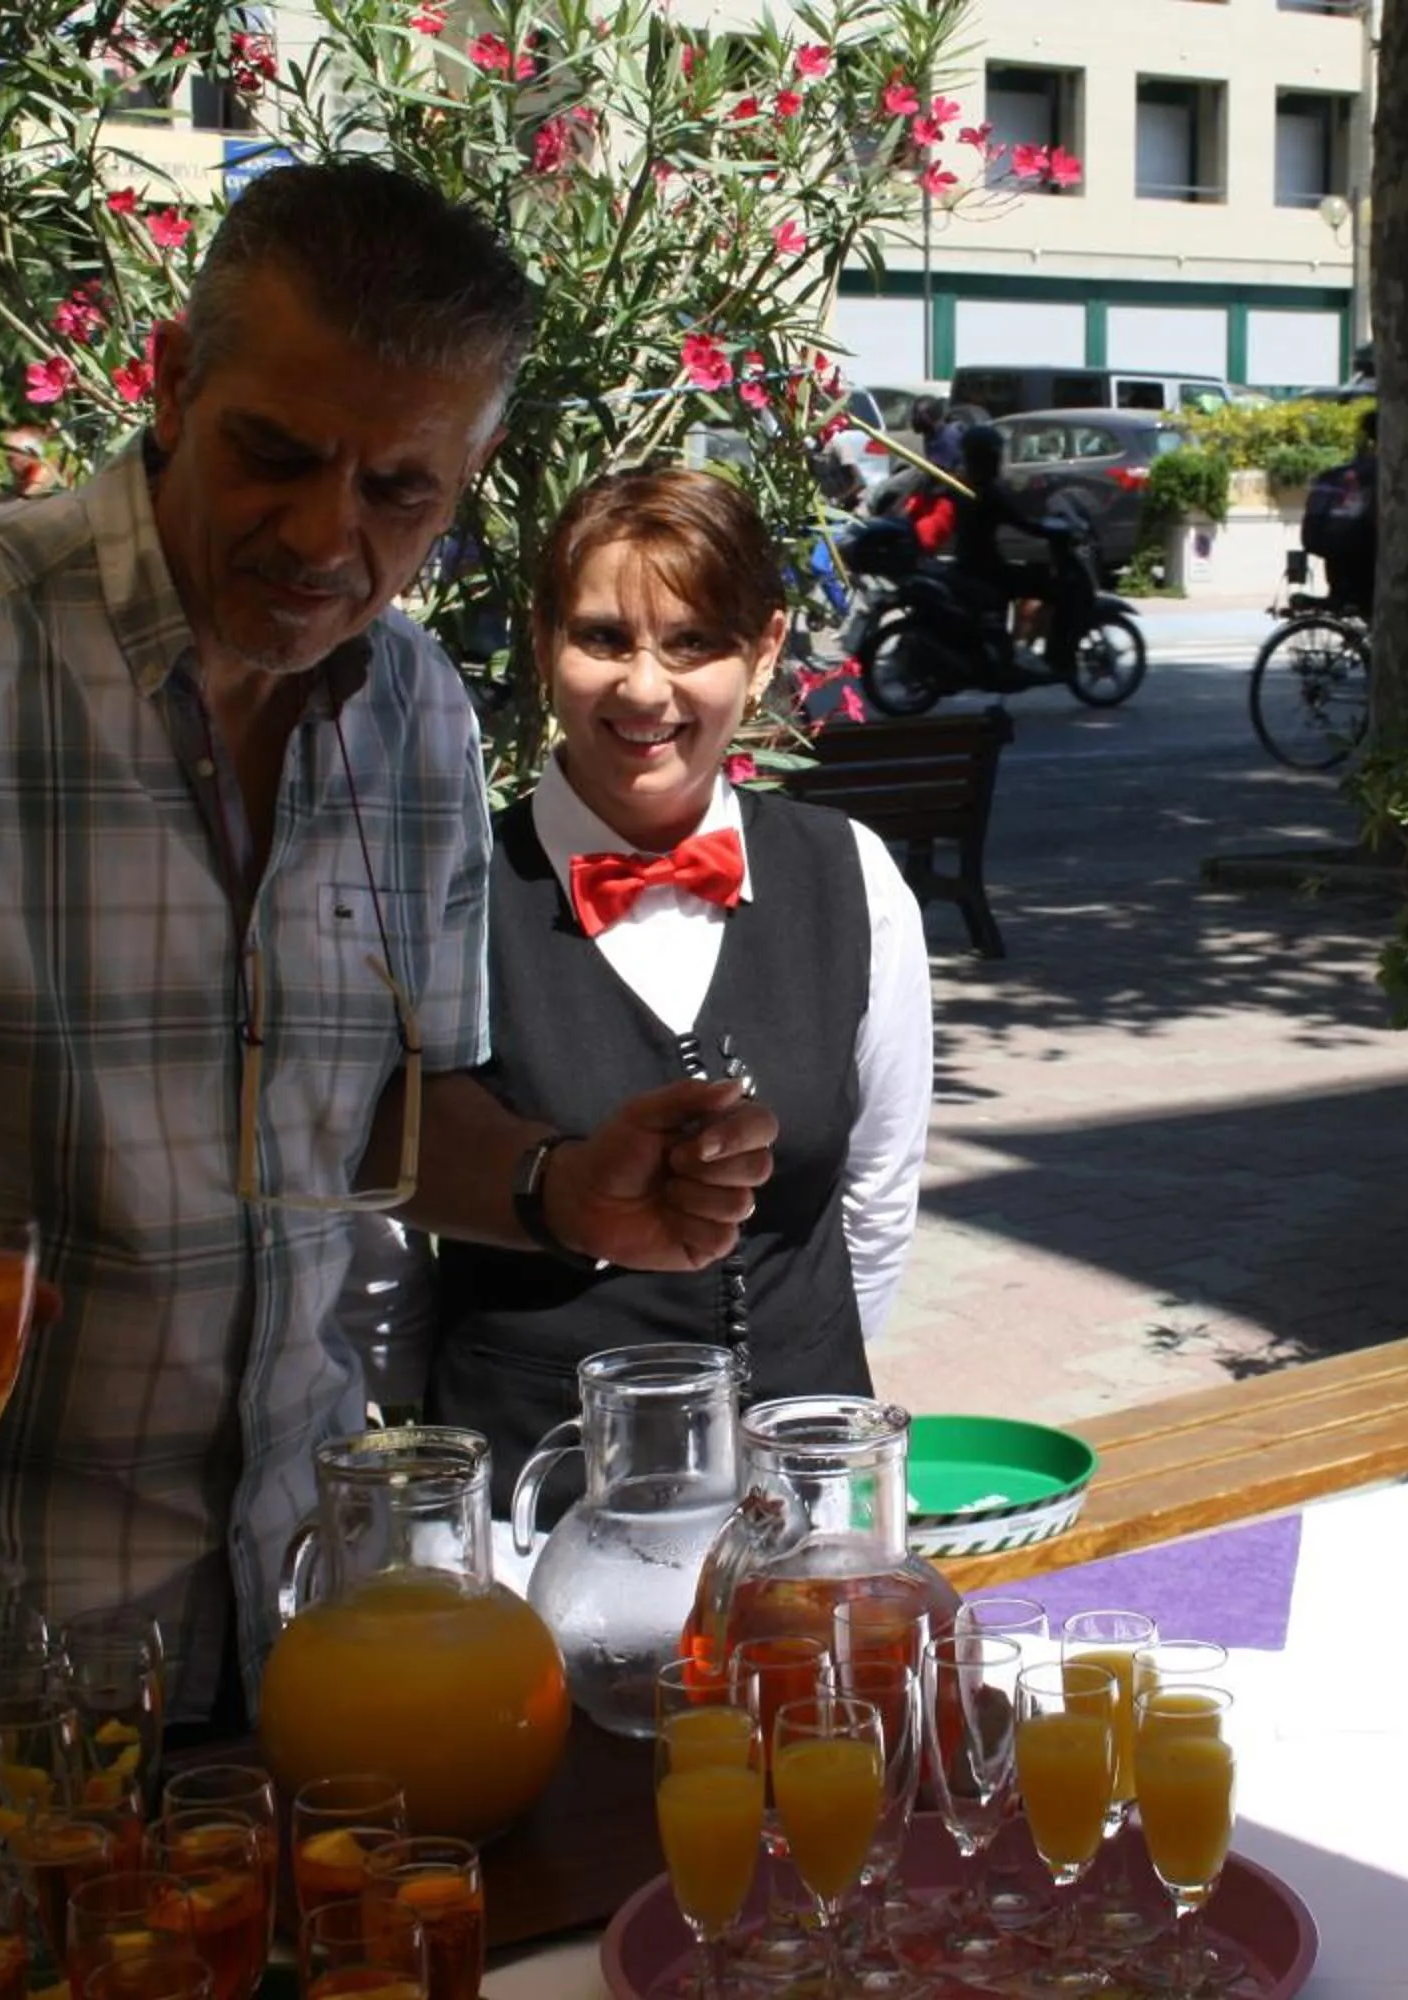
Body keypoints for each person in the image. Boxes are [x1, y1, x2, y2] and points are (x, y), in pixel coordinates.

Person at [0, 161, 777, 1716]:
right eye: (276, 454)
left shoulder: (417, 715)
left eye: (399, 491)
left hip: (288, 1638)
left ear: (475, 465)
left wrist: (558, 1186)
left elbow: (367, 1118)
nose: (326, 535)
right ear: (170, 383)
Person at [428, 467, 931, 1491]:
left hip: (804, 1476)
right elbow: (385, 1220)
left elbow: (878, 1188)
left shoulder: (853, 876)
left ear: (766, 651)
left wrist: (808, 1367)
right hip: (538, 1480)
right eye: (604, 637)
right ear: (543, 643)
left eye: (693, 640)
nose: (645, 687)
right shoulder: (454, 893)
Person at [949, 423, 1058, 648]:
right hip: (985, 567)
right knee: (1046, 585)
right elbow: (1021, 521)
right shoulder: (987, 492)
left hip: (971, 562)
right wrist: (1052, 531)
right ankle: (1018, 647)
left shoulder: (964, 485)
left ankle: (1014, 645)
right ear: (988, 458)